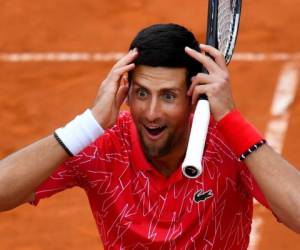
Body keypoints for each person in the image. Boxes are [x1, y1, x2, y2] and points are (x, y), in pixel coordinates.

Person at [0, 23, 299, 249]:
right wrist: (88, 124)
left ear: (193, 96)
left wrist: (232, 122)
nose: (152, 112)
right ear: (125, 90)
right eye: (142, 93)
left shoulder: (228, 144)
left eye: (168, 96)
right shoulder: (101, 144)